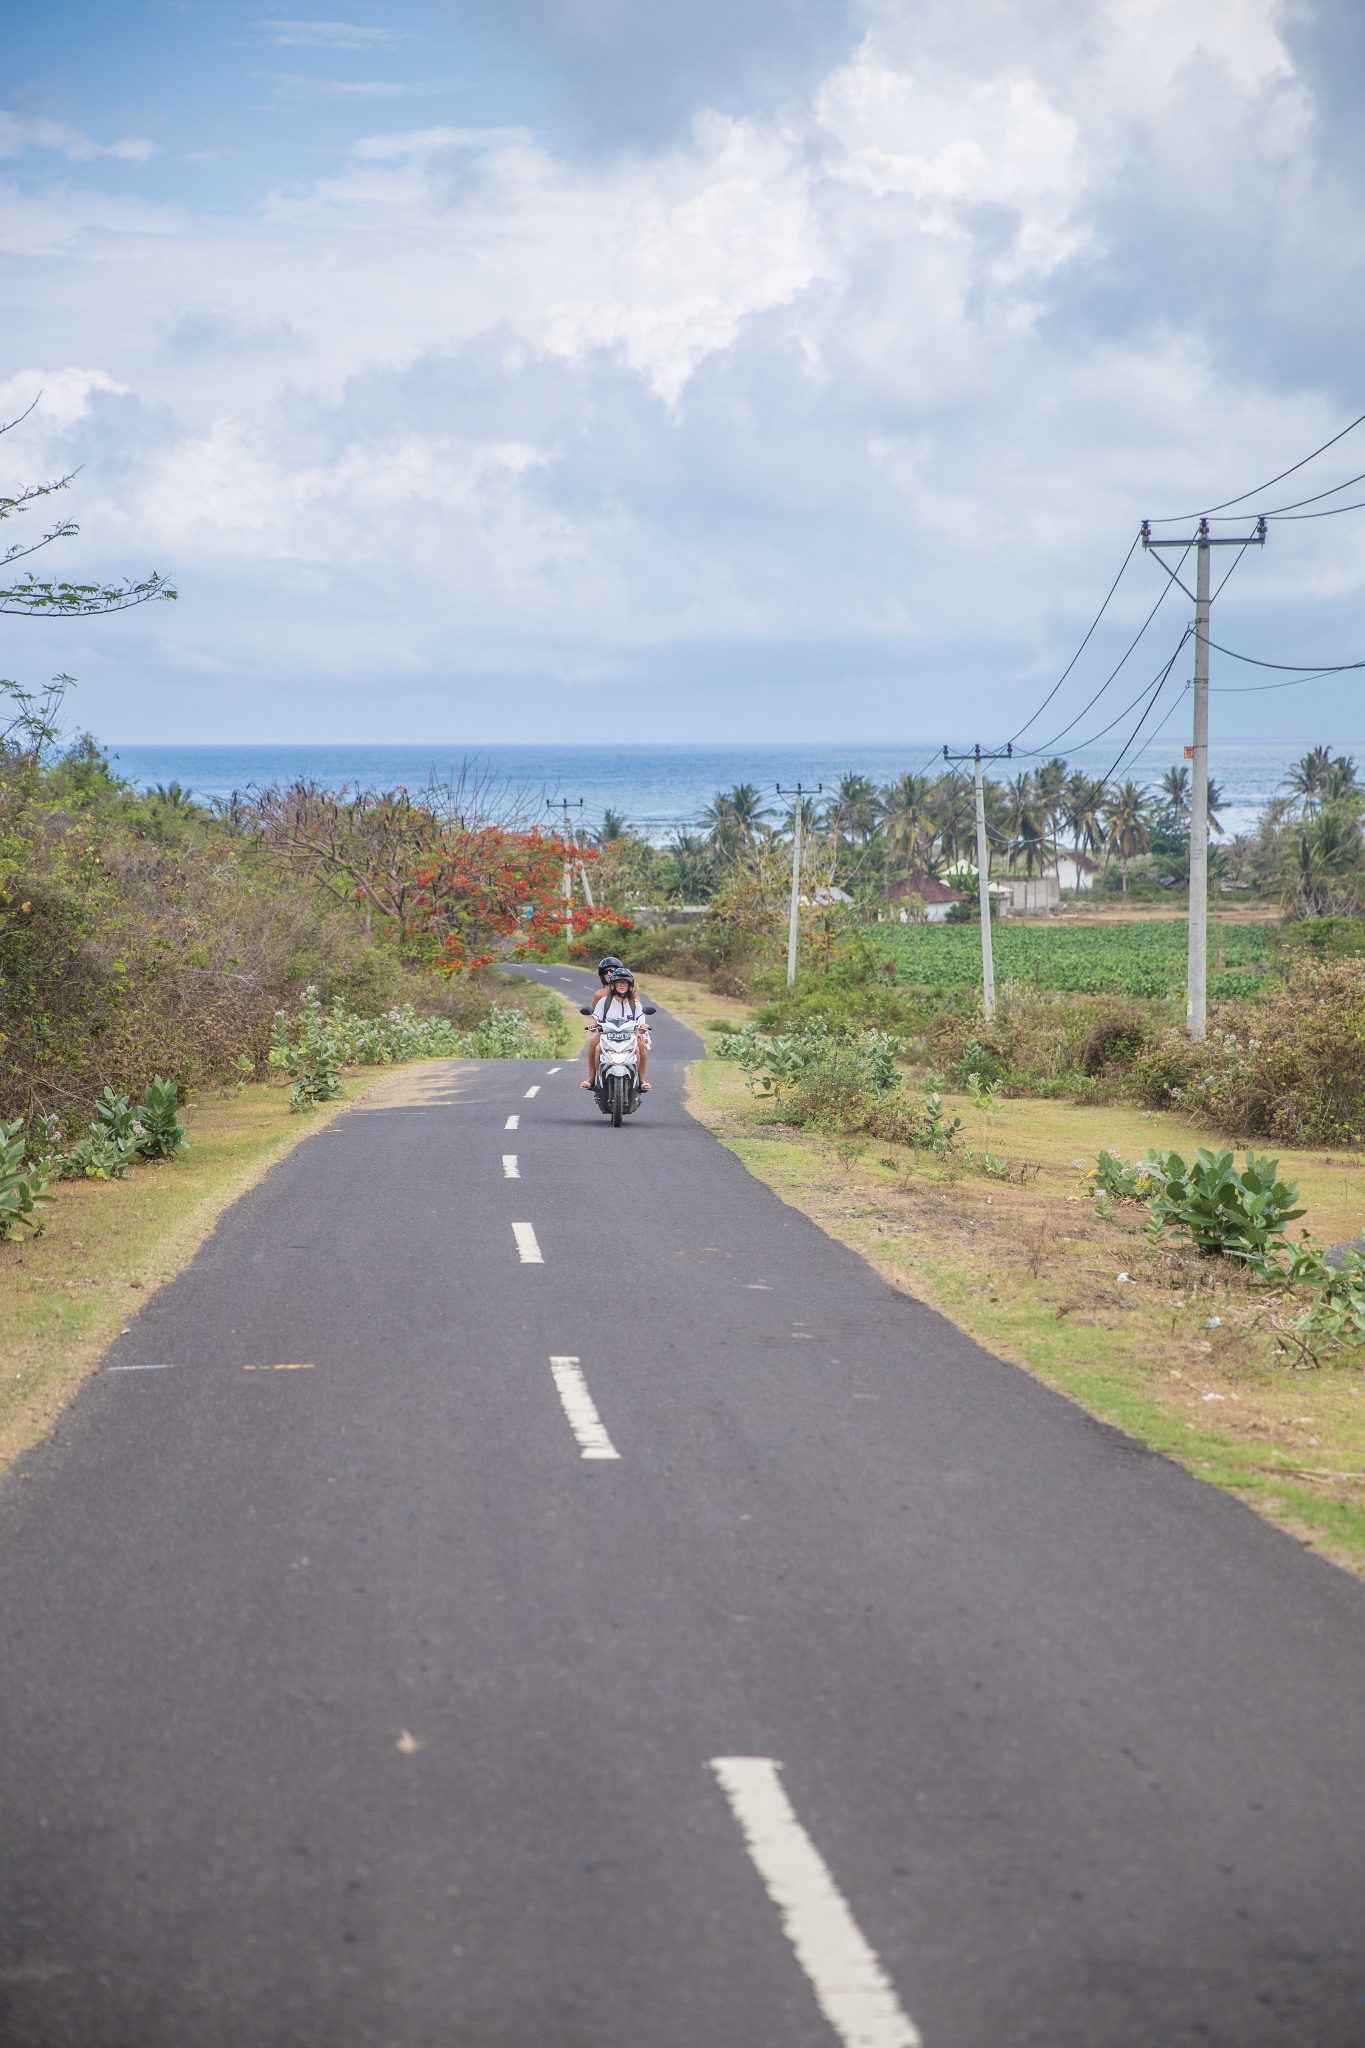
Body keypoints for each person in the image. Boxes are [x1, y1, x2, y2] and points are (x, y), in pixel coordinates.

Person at [582, 965, 651, 1091]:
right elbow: (596, 1019)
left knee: (640, 1046)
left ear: (630, 985)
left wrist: (643, 1027)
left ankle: (641, 1080)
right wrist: (593, 1025)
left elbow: (641, 1024)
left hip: (630, 1035)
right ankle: (594, 1079)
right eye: (619, 982)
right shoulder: (604, 1001)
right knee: (595, 1046)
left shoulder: (635, 1004)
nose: (622, 985)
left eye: (625, 982)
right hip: (607, 1035)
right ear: (613, 984)